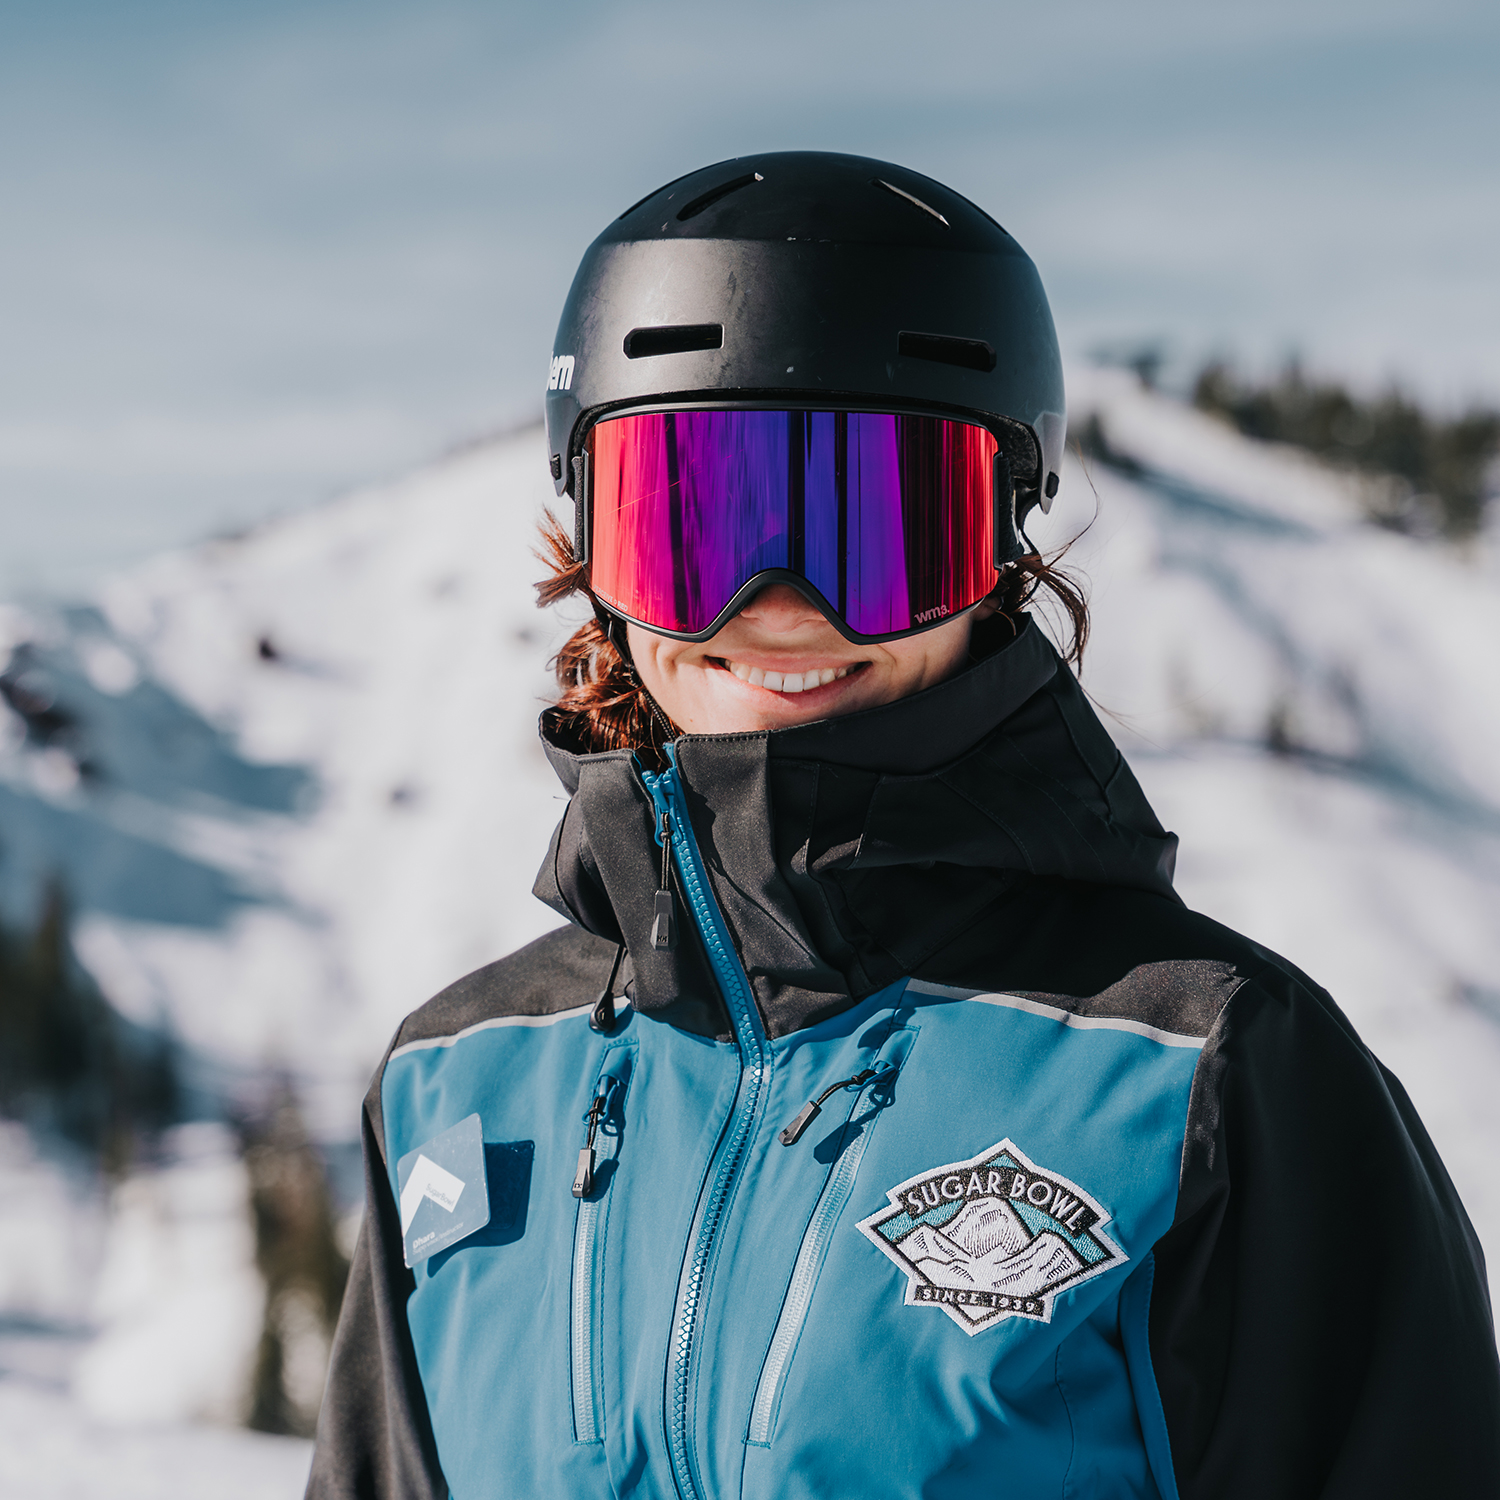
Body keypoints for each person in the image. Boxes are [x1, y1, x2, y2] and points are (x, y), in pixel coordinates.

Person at [307, 152, 1498, 1500]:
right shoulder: (457, 1083)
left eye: (875, 525)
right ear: (592, 552)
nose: (778, 607)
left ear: (1003, 550)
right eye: (693, 523)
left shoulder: (1205, 1080)